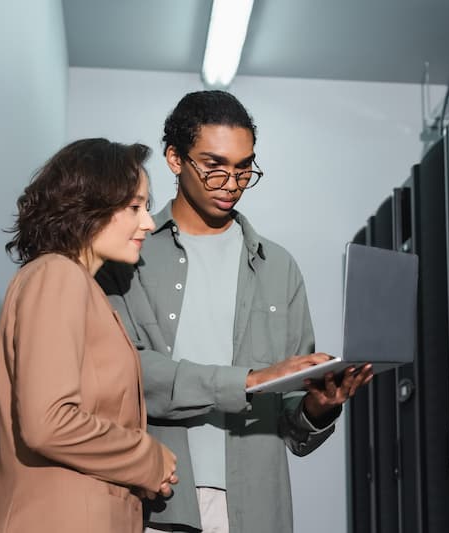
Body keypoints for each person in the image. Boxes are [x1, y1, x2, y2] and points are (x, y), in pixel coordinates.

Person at [96, 90, 373, 533]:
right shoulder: (130, 254)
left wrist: (319, 408)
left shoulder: (278, 267)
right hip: (157, 502)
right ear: (174, 158)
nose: (231, 183)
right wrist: (247, 380)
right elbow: (125, 378)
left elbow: (292, 420)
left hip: (256, 507)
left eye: (244, 169)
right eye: (214, 167)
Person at [0, 139, 178, 533]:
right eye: (136, 206)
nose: (149, 222)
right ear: (89, 205)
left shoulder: (75, 285)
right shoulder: (58, 275)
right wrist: (148, 458)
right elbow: (48, 422)